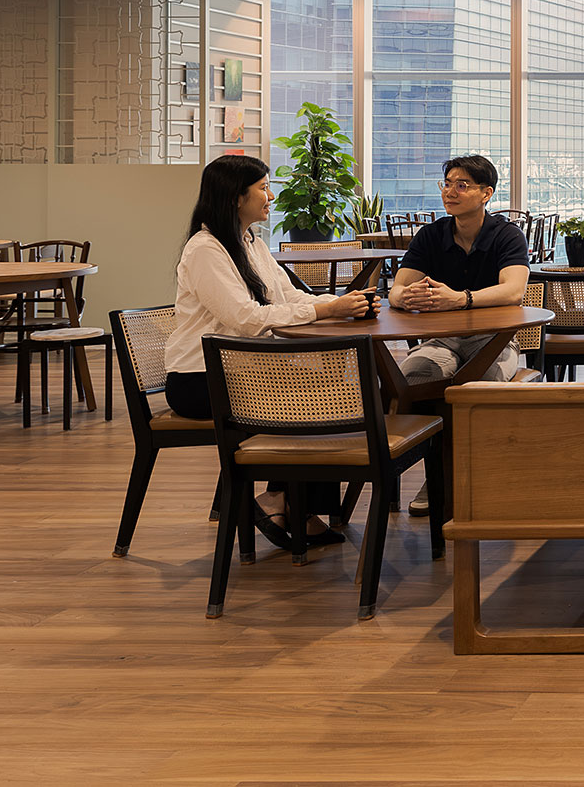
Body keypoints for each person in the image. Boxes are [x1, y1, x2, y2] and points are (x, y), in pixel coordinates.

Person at [164, 154, 377, 552]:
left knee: (331, 387)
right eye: (262, 187)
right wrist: (326, 309)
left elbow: (289, 295)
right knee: (322, 398)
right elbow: (245, 318)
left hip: (243, 373)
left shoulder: (250, 242)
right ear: (234, 197)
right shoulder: (205, 250)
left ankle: (289, 501)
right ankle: (286, 501)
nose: (271, 195)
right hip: (201, 380)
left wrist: (340, 303)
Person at [388, 154, 532, 515]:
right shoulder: (432, 235)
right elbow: (396, 290)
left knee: (479, 390)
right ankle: (436, 476)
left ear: (486, 193)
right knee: (412, 378)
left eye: (462, 185)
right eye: (448, 183)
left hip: (495, 339)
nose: (451, 191)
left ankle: (481, 477)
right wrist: (406, 297)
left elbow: (514, 291)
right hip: (440, 340)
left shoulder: (506, 235)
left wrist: (461, 299)